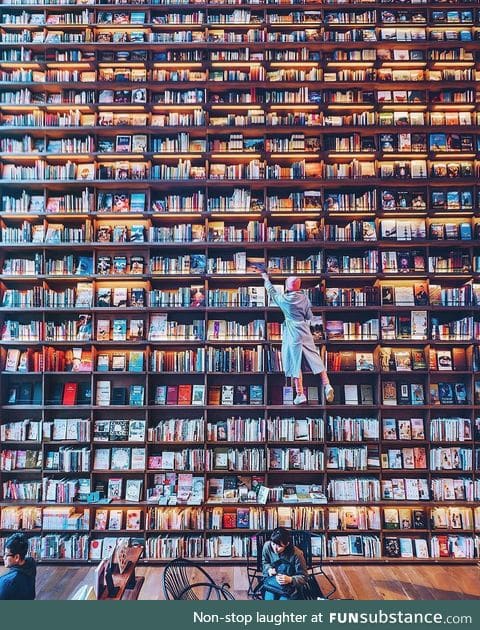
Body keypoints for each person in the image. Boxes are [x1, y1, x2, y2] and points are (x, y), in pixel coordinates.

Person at [258, 270, 334, 405]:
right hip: (304, 329)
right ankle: (327, 385)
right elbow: (309, 316)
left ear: (287, 286)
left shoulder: (284, 299)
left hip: (292, 331)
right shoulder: (305, 298)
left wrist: (266, 278)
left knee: (295, 362)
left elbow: (272, 292)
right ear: (299, 287)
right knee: (314, 356)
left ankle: (300, 394)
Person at [261, 528, 308, 600]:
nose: (275, 548)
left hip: (290, 585)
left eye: (279, 546)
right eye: (273, 544)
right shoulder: (267, 546)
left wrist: (290, 579)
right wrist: (269, 569)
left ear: (287, 544)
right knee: (270, 598)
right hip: (272, 581)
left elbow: (304, 577)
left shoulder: (297, 554)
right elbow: (265, 563)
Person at [0, 533, 36, 600]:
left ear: (17, 557)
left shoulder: (7, 582)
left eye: (6, 554)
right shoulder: (31, 564)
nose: (4, 557)